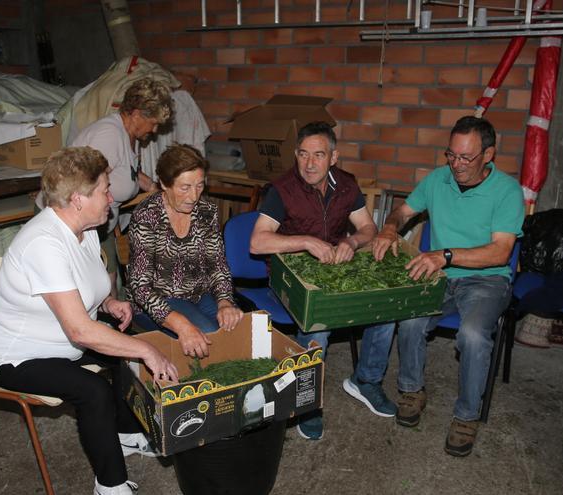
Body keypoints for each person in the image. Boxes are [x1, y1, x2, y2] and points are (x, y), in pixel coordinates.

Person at [0, 147, 179, 495]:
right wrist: (147, 350)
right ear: (77, 199)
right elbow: (80, 331)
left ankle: (127, 434)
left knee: (125, 352)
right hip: (16, 355)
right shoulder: (44, 244)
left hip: (61, 341)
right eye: (104, 190)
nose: (111, 197)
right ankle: (110, 485)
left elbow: (86, 287)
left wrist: (110, 302)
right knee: (94, 390)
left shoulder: (82, 229)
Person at [372, 116, 524, 457]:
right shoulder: (437, 180)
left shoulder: (507, 192)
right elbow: (403, 210)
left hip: (487, 279)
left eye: (466, 157)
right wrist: (390, 228)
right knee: (409, 317)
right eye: (451, 155)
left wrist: (446, 255)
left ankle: (467, 415)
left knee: (471, 335)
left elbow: (500, 251)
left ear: (489, 154)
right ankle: (412, 390)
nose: (456, 165)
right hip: (439, 274)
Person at [250, 121, 397, 441]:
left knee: (385, 308)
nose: (309, 163)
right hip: (291, 273)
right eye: (303, 154)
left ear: (333, 157)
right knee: (319, 322)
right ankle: (305, 402)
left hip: (334, 265)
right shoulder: (282, 189)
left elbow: (368, 229)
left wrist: (352, 242)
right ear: (296, 155)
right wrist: (305, 241)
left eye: (318, 155)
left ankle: (366, 380)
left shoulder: (346, 185)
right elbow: (257, 243)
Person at [127, 144, 243, 357]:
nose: (193, 196)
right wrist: (179, 323)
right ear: (164, 183)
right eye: (185, 187)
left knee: (235, 330)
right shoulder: (146, 217)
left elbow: (217, 263)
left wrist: (225, 301)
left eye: (199, 186)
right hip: (159, 299)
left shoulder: (207, 211)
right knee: (207, 337)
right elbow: (140, 287)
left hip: (200, 293)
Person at [70, 78, 173, 287]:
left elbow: (128, 171)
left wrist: (155, 189)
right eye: (153, 123)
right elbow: (82, 182)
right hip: (77, 222)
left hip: (99, 222)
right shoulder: (109, 136)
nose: (154, 130)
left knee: (109, 281)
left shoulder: (127, 134)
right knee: (98, 285)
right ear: (136, 114)